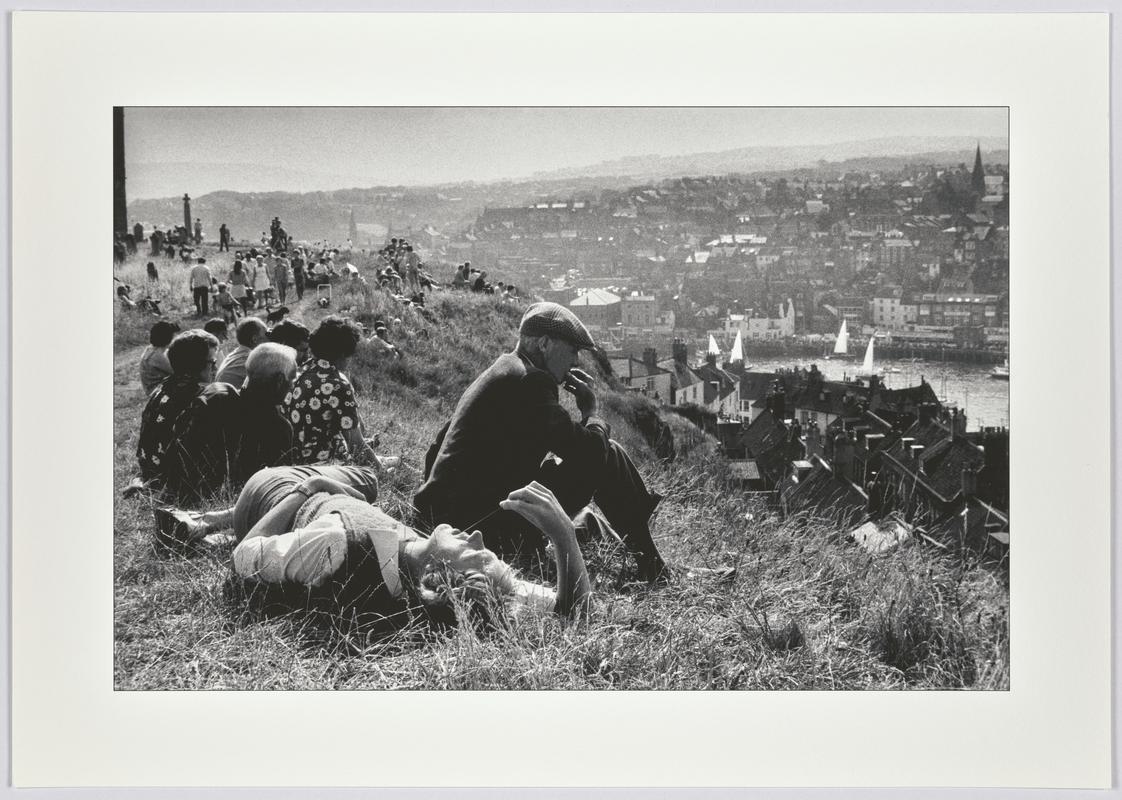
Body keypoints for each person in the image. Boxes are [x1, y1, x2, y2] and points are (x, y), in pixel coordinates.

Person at [414, 302, 670, 580]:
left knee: (606, 450)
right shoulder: (531, 382)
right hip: (479, 526)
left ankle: (649, 556)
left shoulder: (504, 369)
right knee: (604, 454)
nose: (574, 362)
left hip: (447, 516)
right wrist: (591, 412)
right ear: (545, 344)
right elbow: (589, 452)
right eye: (572, 350)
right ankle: (652, 564)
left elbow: (439, 445)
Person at [155, 470, 590, 620]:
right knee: (363, 488)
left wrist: (307, 490)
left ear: (441, 579)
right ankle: (207, 526)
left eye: (476, 553)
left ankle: (205, 522)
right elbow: (575, 609)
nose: (478, 536)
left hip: (273, 490)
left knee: (365, 478)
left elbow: (243, 558)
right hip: (337, 508)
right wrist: (563, 536)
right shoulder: (422, 566)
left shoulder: (336, 547)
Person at [162, 343, 299, 502]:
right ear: (279, 381)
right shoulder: (278, 428)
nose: (292, 385)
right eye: (292, 378)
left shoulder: (215, 396)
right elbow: (281, 488)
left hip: (179, 492)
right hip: (228, 503)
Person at [285, 316, 387, 468]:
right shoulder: (338, 384)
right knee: (390, 465)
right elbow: (355, 444)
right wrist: (381, 471)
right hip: (327, 465)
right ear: (343, 353)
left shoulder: (300, 373)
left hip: (296, 462)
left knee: (392, 461)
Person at [136, 329, 220, 486]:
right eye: (212, 362)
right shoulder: (198, 396)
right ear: (196, 363)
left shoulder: (164, 386)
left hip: (150, 470)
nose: (216, 367)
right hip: (174, 480)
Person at [216, 316, 268, 388]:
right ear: (255, 339)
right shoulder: (252, 360)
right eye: (266, 334)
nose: (268, 338)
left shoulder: (235, 354)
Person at [138, 320, 181, 394]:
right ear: (168, 337)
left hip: (156, 386)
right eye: (174, 335)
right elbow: (178, 371)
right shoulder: (157, 356)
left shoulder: (153, 348)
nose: (176, 338)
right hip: (155, 391)